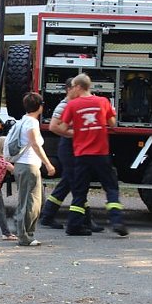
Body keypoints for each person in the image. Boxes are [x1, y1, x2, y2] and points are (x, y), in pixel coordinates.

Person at [54, 73, 128, 237]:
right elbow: (112, 124)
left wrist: (79, 130)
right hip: (101, 153)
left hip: (81, 154)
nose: (72, 90)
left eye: (73, 87)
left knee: (80, 192)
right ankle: (117, 221)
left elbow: (64, 128)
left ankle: (73, 226)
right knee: (110, 187)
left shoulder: (72, 106)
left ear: (79, 87)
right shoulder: (103, 102)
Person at [39, 78, 104, 233]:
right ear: (69, 89)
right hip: (68, 148)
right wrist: (76, 133)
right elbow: (54, 127)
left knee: (68, 183)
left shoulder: (75, 104)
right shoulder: (64, 105)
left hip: (75, 147)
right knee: (77, 184)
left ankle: (47, 215)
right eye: (77, 88)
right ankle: (85, 221)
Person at [12, 92, 55, 247]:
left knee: (30, 201)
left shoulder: (22, 121)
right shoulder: (32, 123)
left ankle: (23, 232)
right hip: (28, 166)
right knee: (31, 203)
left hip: (22, 166)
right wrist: (48, 164)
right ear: (39, 107)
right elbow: (35, 144)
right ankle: (24, 236)